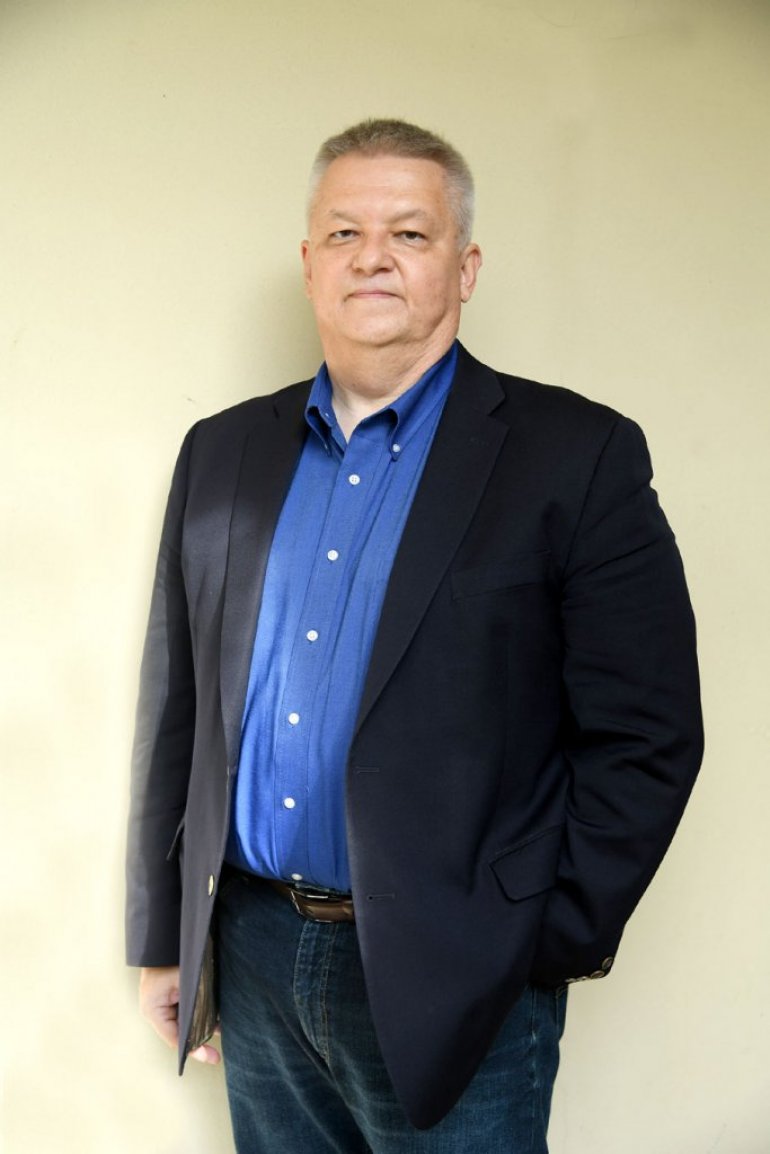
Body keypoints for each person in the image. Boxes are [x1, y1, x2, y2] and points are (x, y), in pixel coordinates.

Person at [126, 118, 703, 1153]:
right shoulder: (219, 451)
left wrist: (533, 936)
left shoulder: (574, 456)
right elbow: (179, 709)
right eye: (344, 233)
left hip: (457, 964)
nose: (372, 257)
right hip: (250, 952)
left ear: (464, 267)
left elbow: (648, 733)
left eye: (409, 232)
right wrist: (166, 933)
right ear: (310, 263)